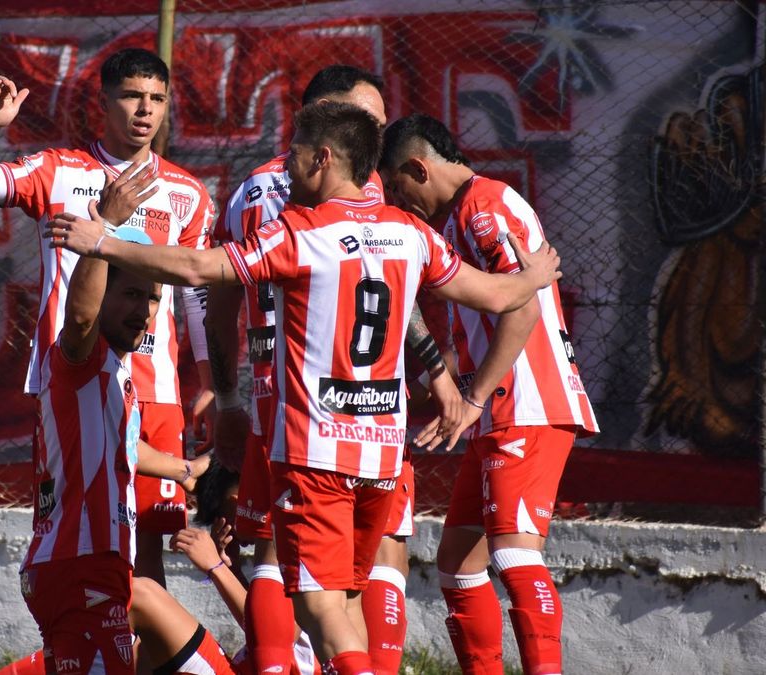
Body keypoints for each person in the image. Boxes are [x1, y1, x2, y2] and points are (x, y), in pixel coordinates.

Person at [46, 101, 562, 674]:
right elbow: (495, 296)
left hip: (315, 453)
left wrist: (103, 242)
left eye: (293, 154)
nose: (285, 167)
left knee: (316, 605)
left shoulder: (301, 232)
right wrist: (533, 279)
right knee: (344, 598)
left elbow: (198, 269)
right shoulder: (411, 232)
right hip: (383, 461)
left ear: (323, 158)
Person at [207, 64, 457, 675]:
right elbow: (385, 292)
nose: (376, 135)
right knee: (370, 557)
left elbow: (219, 296)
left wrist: (226, 392)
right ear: (328, 122)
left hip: (283, 398)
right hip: (355, 406)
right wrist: (435, 372)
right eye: (366, 120)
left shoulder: (249, 191)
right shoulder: (356, 196)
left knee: (283, 552)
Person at [0, 47, 216, 586]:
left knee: (146, 549)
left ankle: (137, 661)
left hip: (153, 385)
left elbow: (195, 291)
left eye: (157, 99)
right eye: (132, 96)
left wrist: (209, 378)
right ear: (103, 102)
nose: (145, 110)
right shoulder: (61, 170)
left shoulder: (187, 192)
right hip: (72, 378)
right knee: (78, 531)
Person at [379, 114, 598, 675]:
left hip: (524, 401)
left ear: (418, 167)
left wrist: (472, 398)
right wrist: (449, 389)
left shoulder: (484, 207)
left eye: (402, 190)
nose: (404, 205)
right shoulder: (460, 217)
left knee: (512, 553)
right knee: (457, 562)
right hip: (495, 407)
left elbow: (521, 306)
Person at [21, 216, 212, 675]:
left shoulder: (115, 369)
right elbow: (82, 316)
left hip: (77, 562)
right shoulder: (79, 357)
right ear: (100, 290)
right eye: (131, 294)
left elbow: (123, 446)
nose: (144, 311)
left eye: (153, 299)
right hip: (82, 560)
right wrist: (101, 233)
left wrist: (184, 470)